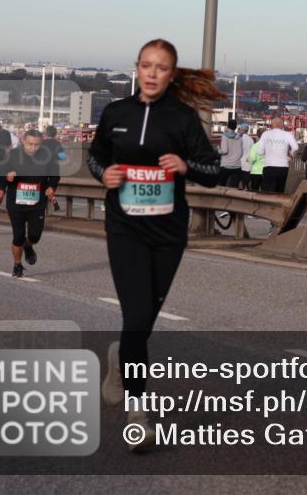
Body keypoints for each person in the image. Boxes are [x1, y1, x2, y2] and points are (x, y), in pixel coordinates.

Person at [87, 38, 222, 450]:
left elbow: (213, 170)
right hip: (125, 228)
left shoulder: (182, 119)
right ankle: (138, 412)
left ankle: (118, 358)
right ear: (137, 68)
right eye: (146, 65)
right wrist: (105, 174)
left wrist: (185, 165)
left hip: (167, 233)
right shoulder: (116, 113)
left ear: (171, 74)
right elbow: (95, 157)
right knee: (138, 314)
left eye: (161, 68)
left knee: (140, 325)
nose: (151, 73)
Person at [0, 130, 59, 278]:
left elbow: (54, 174)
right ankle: (17, 265)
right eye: (29, 144)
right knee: (18, 236)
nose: (32, 148)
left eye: (36, 145)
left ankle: (29, 245)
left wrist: (51, 186)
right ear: (23, 141)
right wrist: (7, 176)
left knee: (35, 236)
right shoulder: (13, 155)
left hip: (37, 202)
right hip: (16, 203)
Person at [257, 116, 298, 193]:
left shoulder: (266, 134)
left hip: (269, 166)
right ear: (282, 125)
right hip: (283, 167)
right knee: (280, 191)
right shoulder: (287, 134)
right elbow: (295, 147)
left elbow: (260, 151)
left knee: (268, 192)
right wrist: (290, 156)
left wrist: (265, 154)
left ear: (272, 125)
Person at [218, 119, 243, 188]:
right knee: (234, 188)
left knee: (221, 187)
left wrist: (218, 150)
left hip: (226, 165)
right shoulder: (240, 138)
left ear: (228, 126)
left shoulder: (224, 136)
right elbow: (241, 153)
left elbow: (224, 151)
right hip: (237, 166)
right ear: (235, 127)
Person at [238, 124, 255, 189]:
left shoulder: (239, 138)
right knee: (246, 180)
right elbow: (252, 152)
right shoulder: (251, 139)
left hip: (240, 162)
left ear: (242, 130)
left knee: (238, 180)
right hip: (247, 162)